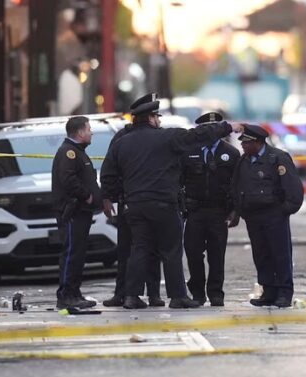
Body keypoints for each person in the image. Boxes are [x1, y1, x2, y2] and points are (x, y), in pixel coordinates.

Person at [101, 93, 244, 309]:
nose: (159, 120)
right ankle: (177, 296)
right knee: (171, 250)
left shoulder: (122, 142)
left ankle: (131, 296)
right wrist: (228, 127)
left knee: (140, 249)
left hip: (135, 205)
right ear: (150, 118)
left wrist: (109, 197)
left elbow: (109, 172)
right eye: (156, 116)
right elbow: (198, 135)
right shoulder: (167, 137)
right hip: (163, 204)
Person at [231, 124, 304, 308]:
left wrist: (284, 210)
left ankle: (284, 293)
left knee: (280, 254)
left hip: (274, 215)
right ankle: (268, 291)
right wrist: (240, 211)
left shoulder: (277, 158)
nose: (243, 146)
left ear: (258, 142)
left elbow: (293, 187)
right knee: (261, 254)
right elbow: (236, 186)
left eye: (246, 143)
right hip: (253, 216)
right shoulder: (244, 161)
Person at [180, 112, 240, 307]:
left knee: (217, 254)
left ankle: (216, 293)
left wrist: (235, 211)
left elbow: (236, 185)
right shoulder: (189, 152)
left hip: (218, 211)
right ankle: (197, 292)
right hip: (195, 211)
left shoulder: (231, 153)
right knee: (193, 253)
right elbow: (179, 180)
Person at [102, 124, 164, 308]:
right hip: (128, 201)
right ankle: (121, 294)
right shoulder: (122, 137)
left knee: (152, 250)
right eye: (154, 117)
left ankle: (154, 294)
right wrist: (107, 196)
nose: (157, 121)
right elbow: (109, 169)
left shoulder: (159, 136)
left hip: (151, 199)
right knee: (125, 251)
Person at [51, 116, 101, 309]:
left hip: (81, 212)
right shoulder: (69, 153)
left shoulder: (77, 151)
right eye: (89, 129)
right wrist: (86, 195)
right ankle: (65, 296)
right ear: (80, 132)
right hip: (73, 211)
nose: (91, 132)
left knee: (78, 253)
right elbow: (68, 179)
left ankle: (74, 292)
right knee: (72, 253)